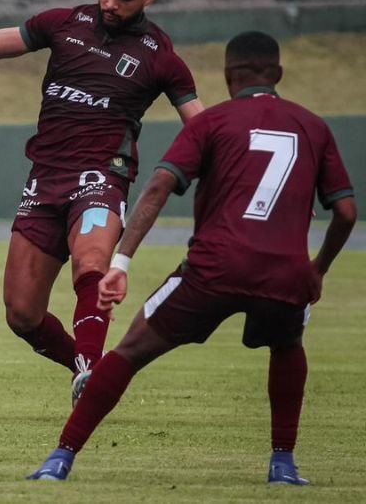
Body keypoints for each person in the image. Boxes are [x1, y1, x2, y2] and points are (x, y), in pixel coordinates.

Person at [27, 31, 357, 484]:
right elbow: (345, 211)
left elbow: (160, 186)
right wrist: (316, 270)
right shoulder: (313, 126)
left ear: (227, 76)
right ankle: (283, 463)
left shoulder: (212, 122)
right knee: (287, 346)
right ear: (278, 75)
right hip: (285, 274)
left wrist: (121, 263)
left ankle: (60, 459)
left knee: (130, 351)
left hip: (213, 269)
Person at [0, 0, 205, 404]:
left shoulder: (160, 57)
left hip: (102, 178)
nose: (109, 3)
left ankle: (89, 375)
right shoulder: (65, 23)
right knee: (21, 314)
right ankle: (91, 368)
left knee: (91, 263)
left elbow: (204, 128)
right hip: (45, 180)